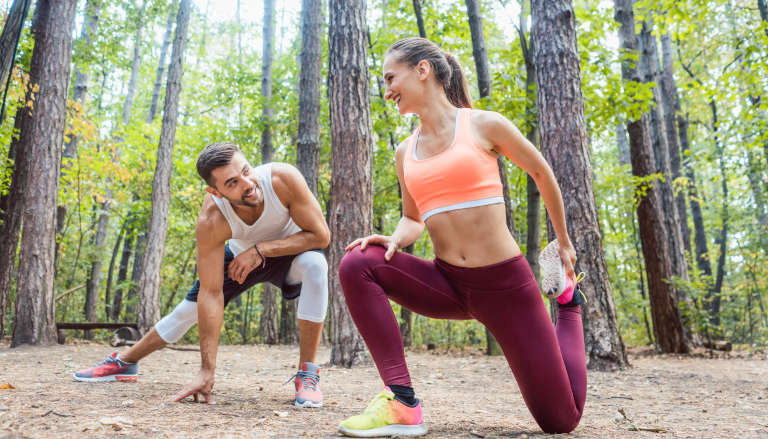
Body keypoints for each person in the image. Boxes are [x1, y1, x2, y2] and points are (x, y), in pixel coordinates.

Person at [336, 37, 586, 437]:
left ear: (423, 70)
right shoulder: (405, 151)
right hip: (448, 282)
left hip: (506, 287)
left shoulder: (483, 125)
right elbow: (411, 217)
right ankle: (401, 401)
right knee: (358, 262)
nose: (386, 91)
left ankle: (569, 303)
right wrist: (395, 239)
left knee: (561, 422)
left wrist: (564, 242)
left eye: (390, 77)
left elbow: (542, 174)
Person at [74, 142, 331, 409]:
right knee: (188, 311)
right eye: (232, 183)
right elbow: (211, 293)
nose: (247, 184)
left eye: (246, 170)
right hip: (239, 259)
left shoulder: (282, 179)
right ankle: (125, 363)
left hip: (292, 253)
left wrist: (261, 249)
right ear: (215, 192)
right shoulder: (212, 218)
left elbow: (321, 235)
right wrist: (206, 370)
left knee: (316, 265)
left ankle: (307, 374)